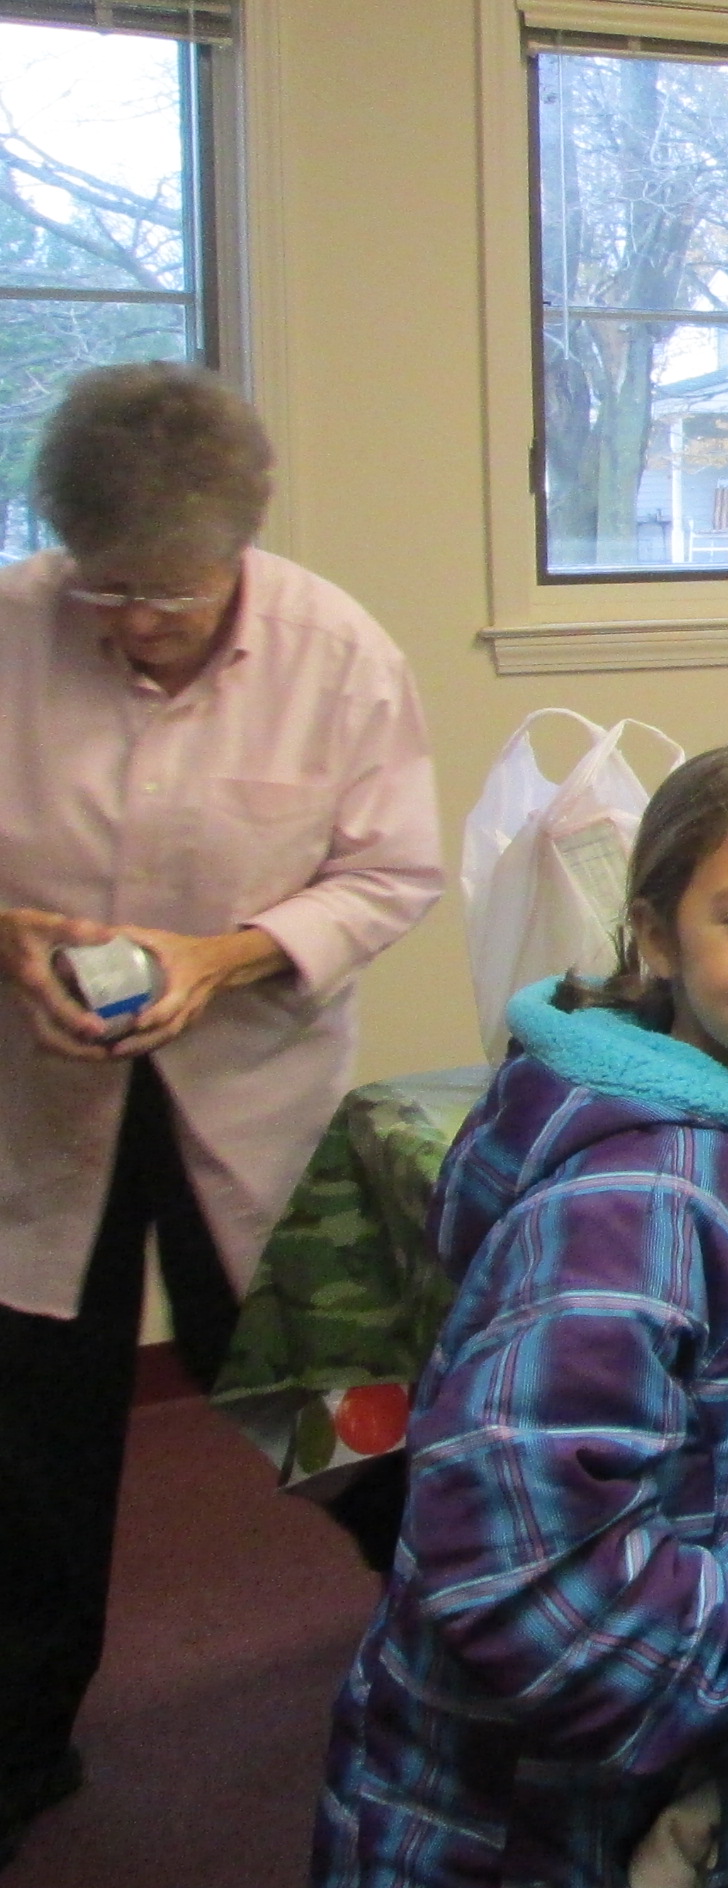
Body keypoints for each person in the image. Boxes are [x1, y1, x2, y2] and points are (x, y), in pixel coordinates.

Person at [312, 738, 728, 1888]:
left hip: (651, 1778)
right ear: (660, 936)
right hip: (527, 1823)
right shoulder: (643, 1198)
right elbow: (531, 1591)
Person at [0, 363, 441, 1865]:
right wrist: (13, 935)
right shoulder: (10, 629)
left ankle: (464, 1633)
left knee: (305, 1392)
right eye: (100, 590)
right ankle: (16, 1747)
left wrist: (222, 956)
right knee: (28, 1436)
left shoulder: (337, 653)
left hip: (248, 1091)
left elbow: (390, 875)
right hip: (37, 1100)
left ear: (237, 555)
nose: (128, 622)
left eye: (166, 596)